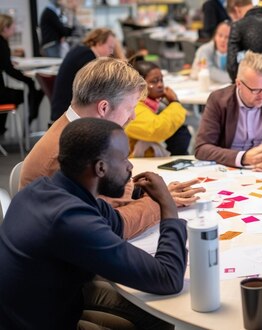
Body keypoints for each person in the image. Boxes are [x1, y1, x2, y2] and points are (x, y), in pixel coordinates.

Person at [0, 117, 187, 329]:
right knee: (162, 320)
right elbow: (169, 278)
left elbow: (115, 223)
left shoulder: (47, 190)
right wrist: (168, 206)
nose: (130, 166)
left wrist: (144, 197)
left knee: (153, 316)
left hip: (41, 311)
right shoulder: (69, 220)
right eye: (124, 159)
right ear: (100, 168)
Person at [21, 57, 204, 239]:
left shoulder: (77, 130)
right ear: (103, 107)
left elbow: (108, 202)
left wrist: (150, 194)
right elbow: (107, 226)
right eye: (129, 108)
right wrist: (161, 203)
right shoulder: (68, 154)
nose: (132, 116)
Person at [195, 51, 262, 171]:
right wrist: (243, 158)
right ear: (239, 84)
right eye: (255, 90)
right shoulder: (218, 100)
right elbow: (202, 148)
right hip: (230, 170)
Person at [50, 28, 123, 123]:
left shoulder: (81, 51)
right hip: (67, 116)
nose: (111, 52)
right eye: (110, 47)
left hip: (62, 111)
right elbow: (98, 91)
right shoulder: (87, 58)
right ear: (99, 42)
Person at [126, 60, 191, 157]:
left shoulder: (156, 103)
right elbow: (156, 129)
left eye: (161, 80)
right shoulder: (132, 106)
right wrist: (175, 102)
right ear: (138, 85)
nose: (160, 85)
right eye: (154, 81)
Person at [0, 14, 44, 134]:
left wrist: (8, 60)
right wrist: (27, 80)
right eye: (13, 27)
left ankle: (2, 128)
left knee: (30, 92)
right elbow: (8, 69)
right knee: (27, 93)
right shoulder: (2, 44)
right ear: (5, 28)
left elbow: (5, 64)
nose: (14, 30)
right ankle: (27, 122)